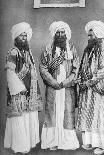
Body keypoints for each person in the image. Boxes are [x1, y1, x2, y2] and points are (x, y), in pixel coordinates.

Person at [39, 21, 80, 150]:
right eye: (58, 32)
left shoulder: (72, 49)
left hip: (67, 88)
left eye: (63, 32)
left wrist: (65, 83)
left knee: (67, 113)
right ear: (54, 34)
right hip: (53, 88)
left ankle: (68, 142)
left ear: (66, 34)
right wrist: (54, 83)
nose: (61, 35)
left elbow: (76, 69)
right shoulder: (48, 49)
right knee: (52, 114)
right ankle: (52, 142)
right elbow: (43, 69)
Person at [4, 22, 43, 153]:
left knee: (29, 116)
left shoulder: (28, 53)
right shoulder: (13, 52)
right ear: (16, 38)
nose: (24, 38)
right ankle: (20, 146)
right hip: (19, 92)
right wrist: (20, 88)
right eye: (21, 36)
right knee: (20, 118)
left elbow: (33, 72)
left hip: (30, 92)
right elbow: (10, 73)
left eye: (26, 36)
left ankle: (29, 143)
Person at [76, 20, 104, 154]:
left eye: (91, 36)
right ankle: (90, 141)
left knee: (99, 115)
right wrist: (80, 79)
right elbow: (83, 67)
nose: (88, 38)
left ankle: (102, 145)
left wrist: (89, 82)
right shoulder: (88, 50)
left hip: (98, 88)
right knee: (87, 113)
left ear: (98, 36)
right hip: (87, 89)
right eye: (89, 35)